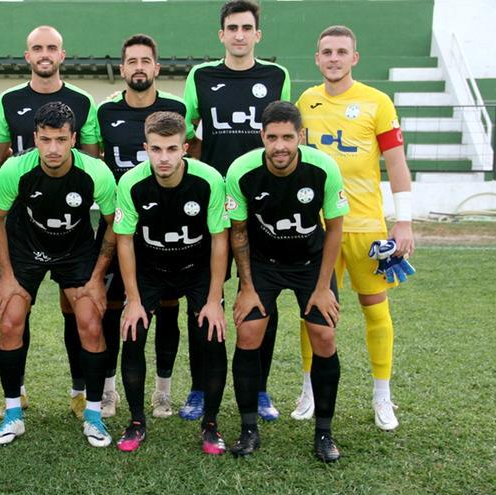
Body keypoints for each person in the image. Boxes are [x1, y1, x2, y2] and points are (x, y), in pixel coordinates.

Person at [294, 25, 413, 431]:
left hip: (365, 226)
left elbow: (396, 163)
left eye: (341, 52)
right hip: (316, 227)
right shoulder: (305, 102)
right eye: (326, 51)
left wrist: (405, 220)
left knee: (374, 308)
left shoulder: (377, 102)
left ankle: (383, 396)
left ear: (354, 58)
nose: (333, 58)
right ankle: (308, 389)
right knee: (314, 310)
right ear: (317, 58)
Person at [0, 25, 103, 420]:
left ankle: (81, 392)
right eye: (37, 47)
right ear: (27, 54)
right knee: (17, 309)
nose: (45, 53)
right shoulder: (9, 100)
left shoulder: (83, 102)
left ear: (62, 55)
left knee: (78, 313)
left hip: (72, 231)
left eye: (52, 47)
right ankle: (17, 398)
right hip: (23, 224)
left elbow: (88, 162)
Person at [183, 0, 291, 422]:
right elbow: (189, 134)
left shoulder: (276, 76)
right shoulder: (202, 76)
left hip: (263, 205)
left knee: (262, 294)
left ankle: (260, 388)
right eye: (233, 27)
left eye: (247, 27)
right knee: (203, 295)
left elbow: (288, 134)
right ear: (221, 34)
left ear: (257, 34)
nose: (240, 34)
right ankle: (198, 388)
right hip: (212, 204)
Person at [0, 102, 116, 447]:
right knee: (11, 320)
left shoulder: (96, 173)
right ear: (36, 138)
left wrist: (96, 278)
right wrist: (7, 275)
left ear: (73, 138)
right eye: (46, 140)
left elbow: (112, 224)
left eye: (61, 139)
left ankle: (93, 415)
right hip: (26, 248)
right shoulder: (15, 169)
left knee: (89, 322)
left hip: (75, 251)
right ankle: (14, 413)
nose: (54, 148)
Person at [225, 101, 347, 462]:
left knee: (323, 336)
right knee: (248, 333)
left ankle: (324, 432)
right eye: (273, 137)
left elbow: (335, 228)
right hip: (263, 264)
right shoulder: (242, 171)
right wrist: (247, 287)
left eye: (288, 137)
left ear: (301, 137)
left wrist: (323, 287)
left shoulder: (323, 168)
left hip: (311, 265)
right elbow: (239, 232)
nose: (280, 146)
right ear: (262, 136)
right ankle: (248, 429)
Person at [114, 111, 229, 453]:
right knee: (132, 333)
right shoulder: (131, 183)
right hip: (151, 269)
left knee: (212, 333)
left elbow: (219, 240)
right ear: (145, 147)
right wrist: (133, 300)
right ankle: (136, 421)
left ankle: (211, 424)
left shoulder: (209, 180)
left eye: (171, 149)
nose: (163, 158)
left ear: (185, 148)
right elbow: (124, 241)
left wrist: (214, 299)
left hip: (196, 268)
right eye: (156, 149)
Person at [96, 34, 195, 419]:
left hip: (167, 222)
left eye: (145, 61)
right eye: (131, 61)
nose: (138, 67)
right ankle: (107, 391)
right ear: (122, 69)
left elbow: (192, 155)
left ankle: (163, 392)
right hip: (120, 222)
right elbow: (95, 161)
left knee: (168, 308)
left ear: (156, 67)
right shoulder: (104, 112)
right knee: (112, 307)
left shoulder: (177, 109)